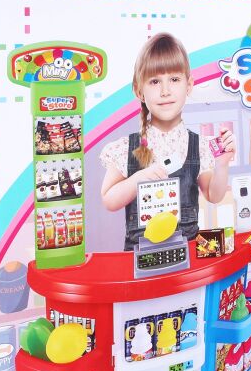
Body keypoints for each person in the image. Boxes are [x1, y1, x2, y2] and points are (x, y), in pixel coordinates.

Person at [100, 33, 235, 250]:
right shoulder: (127, 147)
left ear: (188, 85)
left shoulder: (197, 145)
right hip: (141, 261)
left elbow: (213, 195)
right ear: (139, 90)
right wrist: (138, 179)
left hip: (187, 260)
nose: (165, 91)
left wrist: (222, 164)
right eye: (155, 81)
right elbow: (109, 200)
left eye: (174, 80)